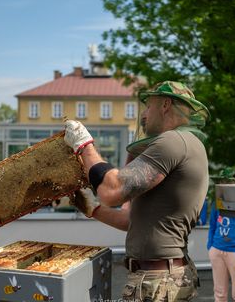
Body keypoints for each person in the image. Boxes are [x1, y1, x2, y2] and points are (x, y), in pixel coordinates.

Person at [65, 81, 210, 301]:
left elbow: (112, 190)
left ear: (165, 105)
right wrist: (91, 208)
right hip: (166, 276)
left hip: (158, 281)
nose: (145, 113)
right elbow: (130, 220)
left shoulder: (173, 141)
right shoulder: (187, 143)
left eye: (148, 106)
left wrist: (84, 144)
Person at [207, 167, 235, 302]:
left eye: (229, 181)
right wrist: (210, 246)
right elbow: (213, 225)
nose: (225, 184)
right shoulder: (218, 203)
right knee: (219, 293)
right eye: (222, 181)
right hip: (217, 249)